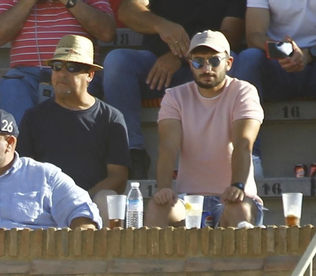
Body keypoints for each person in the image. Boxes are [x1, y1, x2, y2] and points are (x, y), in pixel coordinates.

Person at [100, 0, 246, 179]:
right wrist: (162, 25)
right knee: (117, 60)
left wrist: (183, 57)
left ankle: (229, 151)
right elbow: (127, 11)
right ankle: (131, 153)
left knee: (237, 61)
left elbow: (231, 35)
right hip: (155, 68)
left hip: (206, 67)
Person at [229, 0, 316, 175]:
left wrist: (309, 54)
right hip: (280, 65)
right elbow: (254, 34)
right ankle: (250, 157)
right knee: (249, 57)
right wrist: (284, 52)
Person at [149, 31, 263, 228]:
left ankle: (244, 259)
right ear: (190, 64)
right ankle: (150, 260)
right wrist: (164, 188)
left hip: (233, 195)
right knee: (158, 206)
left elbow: (243, 144)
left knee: (239, 208)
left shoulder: (244, 91)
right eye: (198, 62)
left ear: (229, 63)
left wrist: (237, 186)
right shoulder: (175, 96)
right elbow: (167, 148)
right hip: (189, 200)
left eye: (214, 60)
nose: (206, 68)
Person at [17, 36, 130, 207]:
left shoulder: (111, 118)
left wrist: (80, 199)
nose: (62, 73)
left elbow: (118, 177)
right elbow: (24, 172)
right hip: (46, 205)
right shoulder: (33, 117)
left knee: (107, 197)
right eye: (57, 67)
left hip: (91, 204)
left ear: (90, 75)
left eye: (72, 67)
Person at [0, 0, 115, 120]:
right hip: (26, 76)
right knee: (10, 86)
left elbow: (107, 33)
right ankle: (23, 143)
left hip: (74, 71)